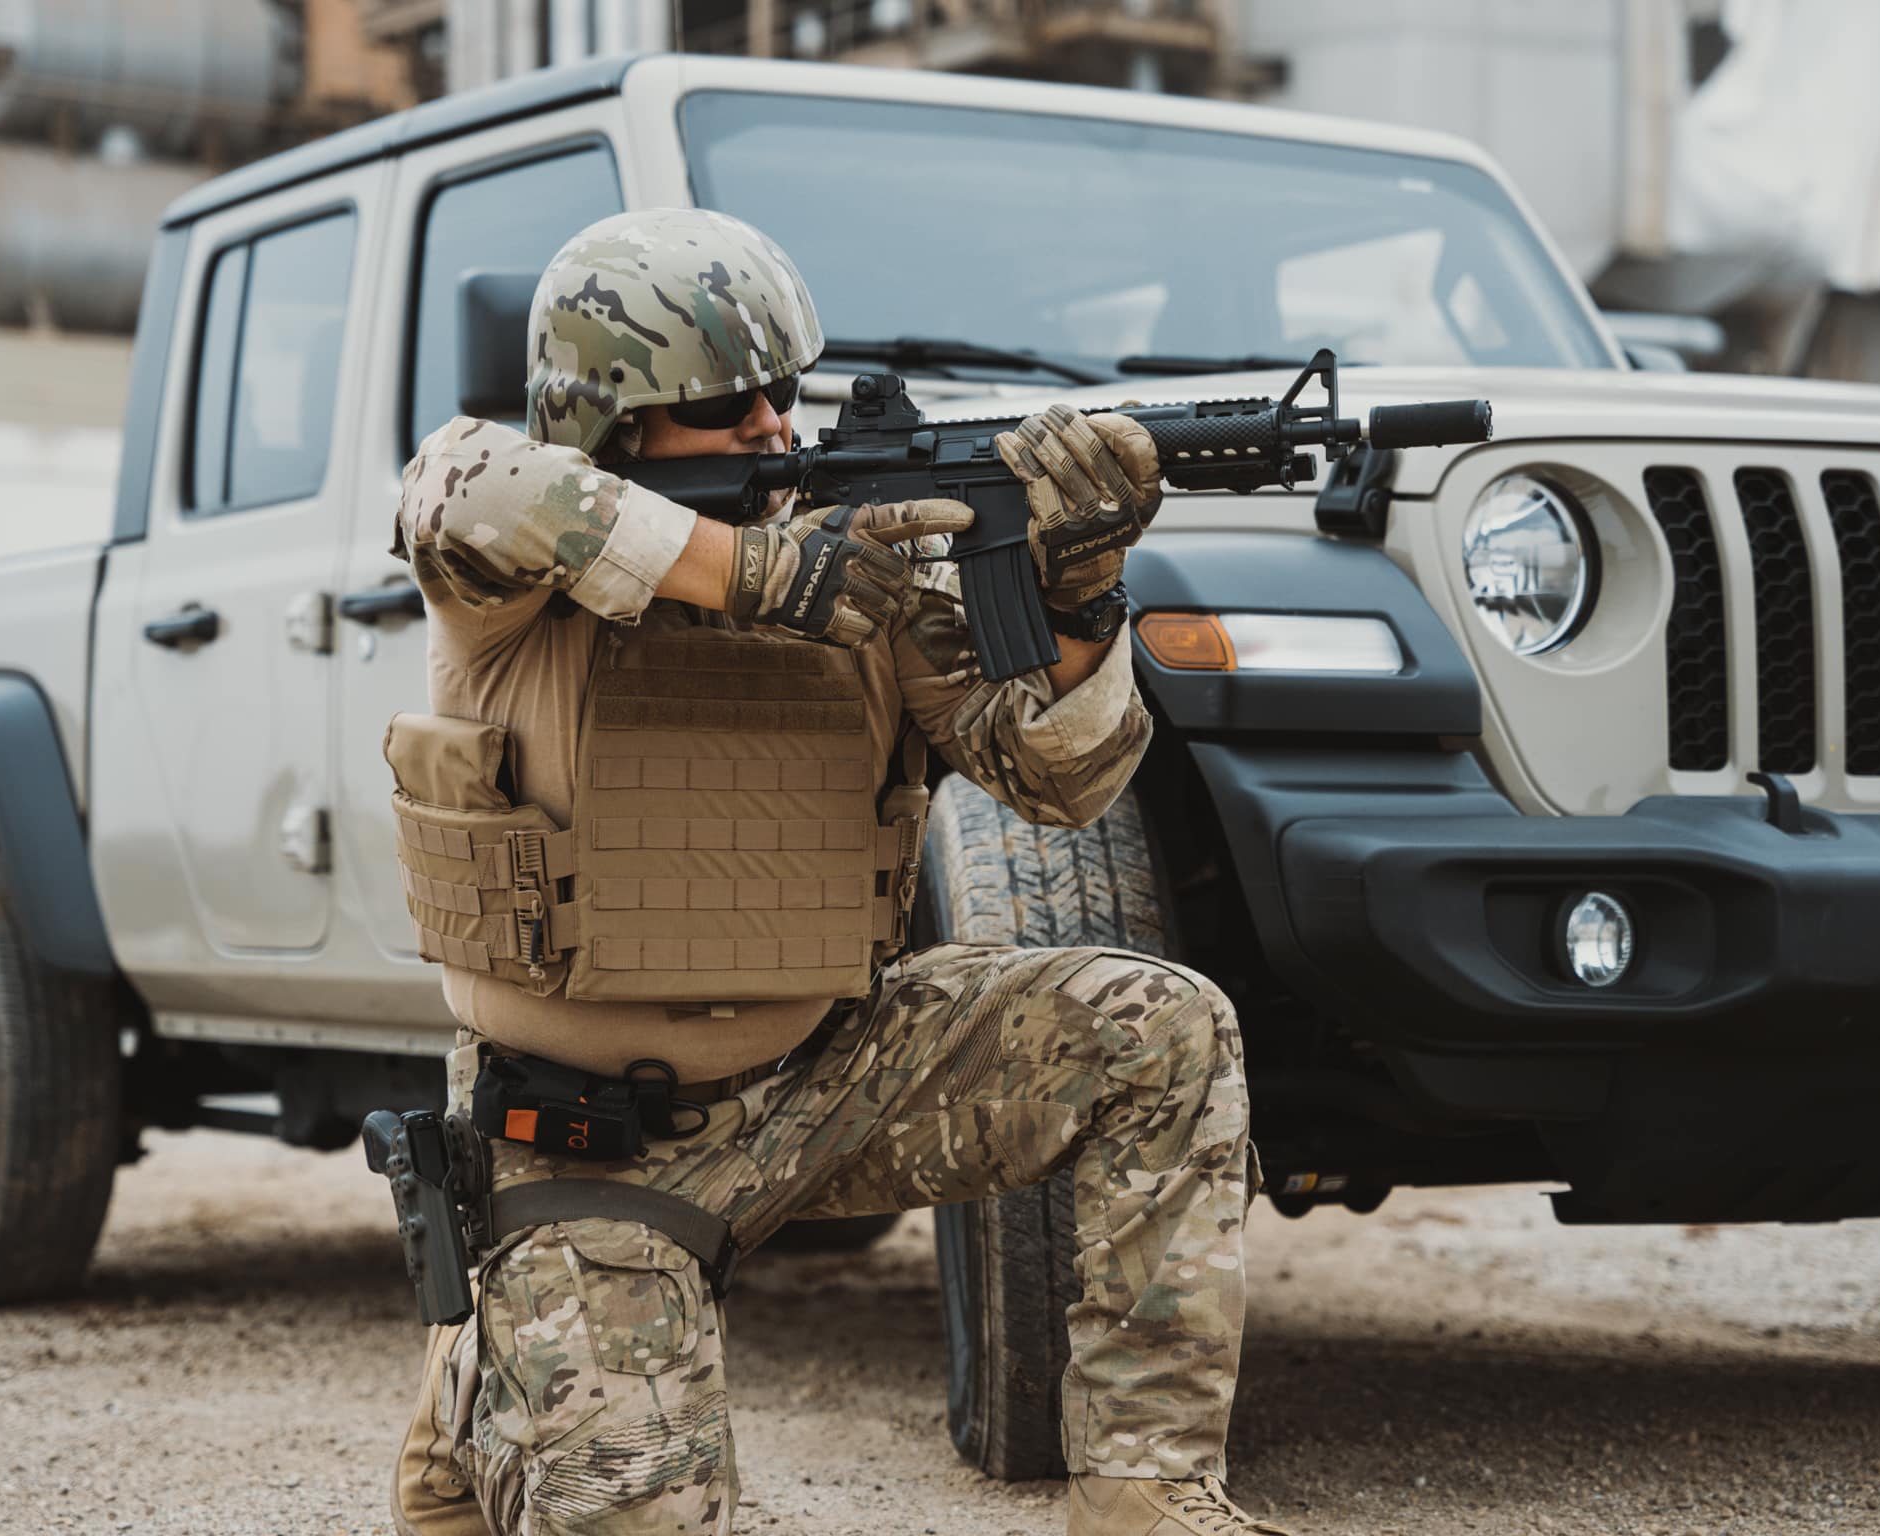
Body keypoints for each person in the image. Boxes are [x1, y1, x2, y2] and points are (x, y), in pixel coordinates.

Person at [382, 206, 1282, 1536]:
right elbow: (461, 482)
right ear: (610, 423)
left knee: (1161, 1030)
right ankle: (488, 1374)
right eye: (721, 406)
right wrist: (754, 574)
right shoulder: (507, 580)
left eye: (781, 393)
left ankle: (1145, 1497)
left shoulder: (857, 565)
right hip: (584, 1138)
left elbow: (1057, 780)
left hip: (825, 1082)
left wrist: (1084, 598)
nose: (768, 427)